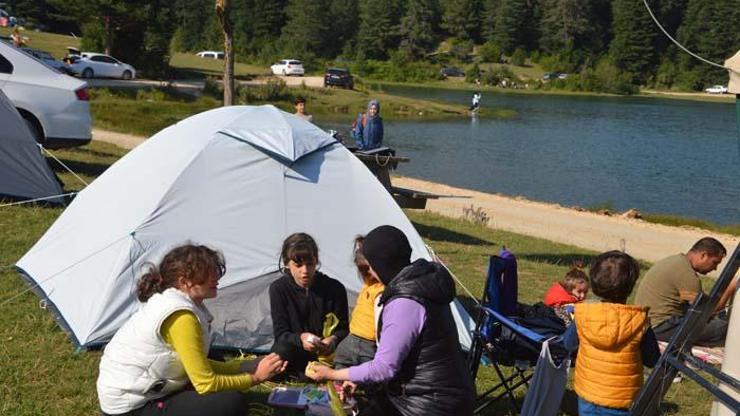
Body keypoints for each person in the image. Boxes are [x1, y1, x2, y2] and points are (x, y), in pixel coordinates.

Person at [97, 244, 287, 416]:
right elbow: (205, 384)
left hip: (142, 390)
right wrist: (255, 377)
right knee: (230, 402)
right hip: (131, 407)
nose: (216, 277)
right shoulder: (181, 317)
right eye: (207, 273)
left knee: (217, 364)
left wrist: (247, 366)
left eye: (215, 270)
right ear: (184, 281)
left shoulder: (176, 301)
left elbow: (198, 366)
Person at [307, 225, 475, 416]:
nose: (369, 271)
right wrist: (357, 378)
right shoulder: (423, 284)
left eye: (370, 265)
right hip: (439, 393)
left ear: (381, 264)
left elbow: (384, 368)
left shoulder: (406, 301)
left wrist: (331, 374)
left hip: (431, 404)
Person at [562, 251, 660, 416]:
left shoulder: (583, 314)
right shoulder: (639, 321)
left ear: (593, 283)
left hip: (588, 392)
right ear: (630, 286)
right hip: (623, 398)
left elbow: (568, 344)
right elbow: (652, 360)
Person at [269, 232, 349, 377]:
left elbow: (344, 329)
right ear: (287, 264)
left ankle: (314, 372)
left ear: (316, 261)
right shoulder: (278, 289)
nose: (305, 271)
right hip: (296, 349)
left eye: (310, 264)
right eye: (298, 265)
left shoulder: (335, 289)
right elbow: (281, 333)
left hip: (326, 353)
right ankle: (311, 373)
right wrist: (301, 338)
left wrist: (332, 340)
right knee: (279, 352)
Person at [634, 237, 735, 347]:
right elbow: (706, 312)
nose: (715, 268)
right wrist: (729, 288)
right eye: (714, 263)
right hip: (659, 328)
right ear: (703, 255)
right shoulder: (687, 274)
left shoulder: (676, 261)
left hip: (647, 323)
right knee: (724, 329)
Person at [333, 236, 384, 369]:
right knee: (340, 357)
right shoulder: (368, 284)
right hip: (353, 336)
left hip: (370, 342)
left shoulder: (382, 289)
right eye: (363, 271)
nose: (368, 274)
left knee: (369, 367)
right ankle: (340, 381)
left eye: (369, 269)